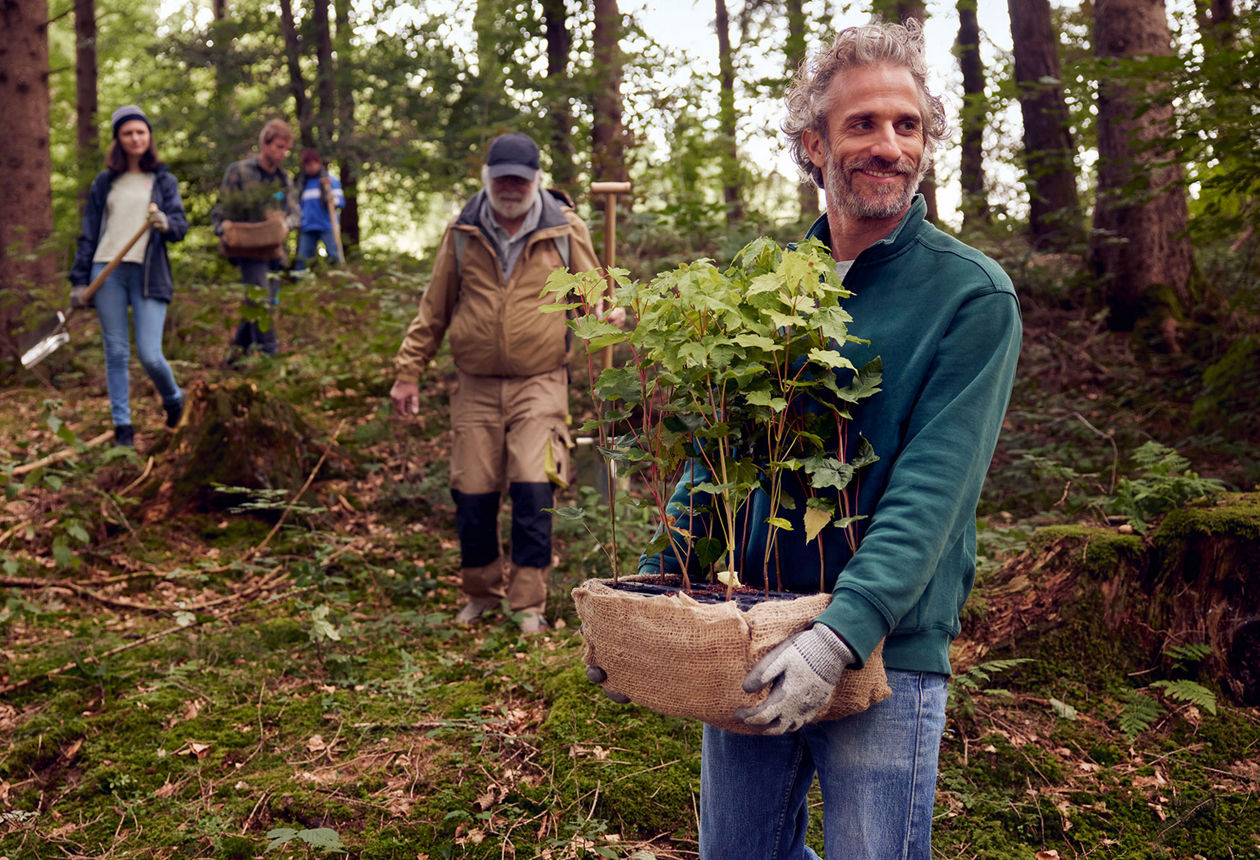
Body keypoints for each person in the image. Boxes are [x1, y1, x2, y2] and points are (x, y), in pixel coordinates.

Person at [587, 20, 1023, 859]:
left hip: (884, 653)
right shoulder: (770, 293)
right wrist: (646, 596)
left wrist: (841, 633)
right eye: (862, 124)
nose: (888, 145)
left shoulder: (971, 298)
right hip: (745, 631)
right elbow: (716, 464)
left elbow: (933, 491)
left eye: (908, 125)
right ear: (812, 145)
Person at [389, 132, 608, 635]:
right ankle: (480, 593)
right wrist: (408, 372)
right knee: (473, 491)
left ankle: (527, 604)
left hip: (541, 381)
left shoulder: (563, 229)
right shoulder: (463, 231)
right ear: (487, 179)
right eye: (502, 178)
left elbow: (594, 292)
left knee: (535, 489)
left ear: (535, 181)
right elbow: (435, 307)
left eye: (520, 179)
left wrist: (605, 311)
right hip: (476, 385)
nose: (510, 187)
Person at [69, 105, 189, 449]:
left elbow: (179, 227)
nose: (135, 138)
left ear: (148, 137)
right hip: (106, 271)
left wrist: (166, 222)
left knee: (150, 354)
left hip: (150, 274)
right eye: (127, 133)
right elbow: (89, 232)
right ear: (118, 140)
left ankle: (173, 399)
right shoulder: (105, 182)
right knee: (116, 353)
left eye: (140, 132)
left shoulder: (163, 180)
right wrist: (79, 281)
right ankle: (123, 428)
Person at [212, 118, 300, 362]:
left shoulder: (283, 179)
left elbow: (295, 213)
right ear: (265, 143)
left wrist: (285, 225)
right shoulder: (239, 172)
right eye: (278, 147)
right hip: (248, 250)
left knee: (261, 304)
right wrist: (224, 230)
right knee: (260, 302)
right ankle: (270, 357)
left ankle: (233, 359)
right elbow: (220, 211)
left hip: (275, 252)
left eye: (286, 149)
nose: (283, 153)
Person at [293, 148, 344, 271]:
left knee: (333, 256)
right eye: (306, 165)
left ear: (318, 163)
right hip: (308, 226)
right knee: (302, 259)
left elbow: (340, 203)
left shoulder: (331, 181)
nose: (309, 168)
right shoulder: (303, 184)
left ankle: (339, 281)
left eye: (312, 164)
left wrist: (330, 198)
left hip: (327, 225)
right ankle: (301, 284)